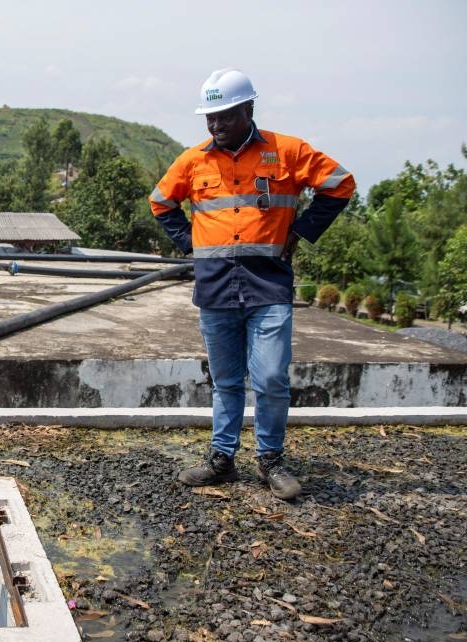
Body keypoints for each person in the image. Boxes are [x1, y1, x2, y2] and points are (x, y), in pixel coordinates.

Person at [150, 69, 355, 500]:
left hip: (268, 286)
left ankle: (270, 461)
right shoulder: (193, 161)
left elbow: (340, 184)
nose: (216, 125)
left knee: (272, 378)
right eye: (210, 117)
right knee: (225, 381)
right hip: (216, 286)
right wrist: (192, 241)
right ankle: (221, 459)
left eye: (224, 115)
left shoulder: (288, 151)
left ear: (248, 109)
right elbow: (161, 201)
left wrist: (299, 232)